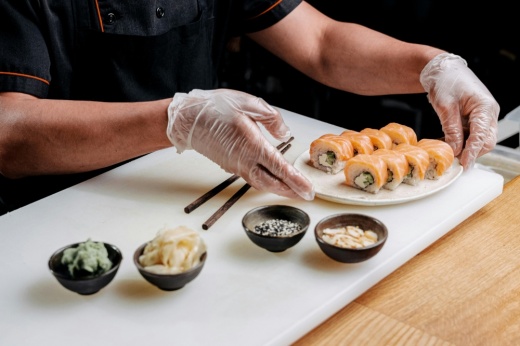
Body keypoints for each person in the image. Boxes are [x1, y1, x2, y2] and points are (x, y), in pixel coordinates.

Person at [0, 0, 499, 214]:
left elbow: (321, 42)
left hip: (194, 190)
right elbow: (9, 133)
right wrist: (178, 118)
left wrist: (434, 65)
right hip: (56, 209)